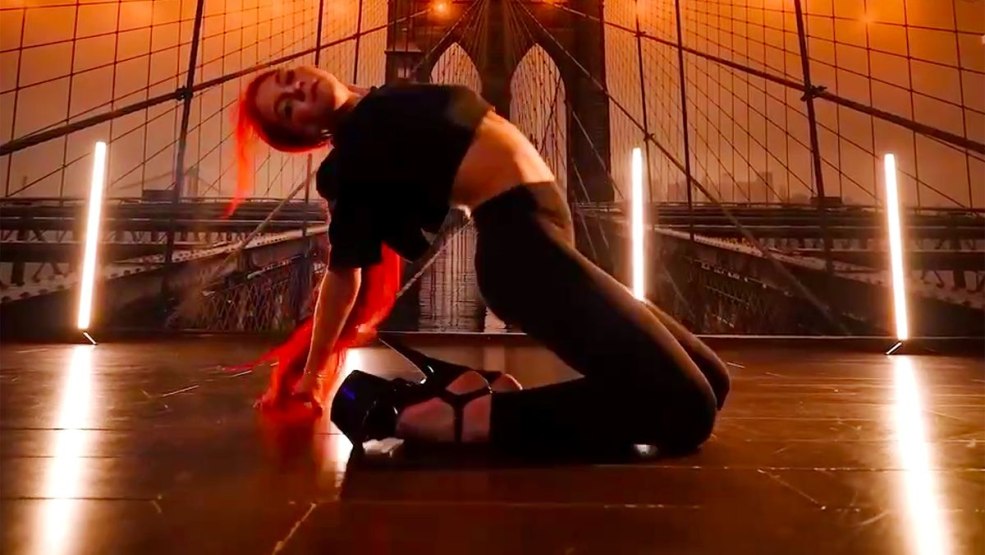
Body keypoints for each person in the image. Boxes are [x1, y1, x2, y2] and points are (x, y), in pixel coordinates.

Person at [232, 65, 731, 454]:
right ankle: (463, 418)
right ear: (307, 134)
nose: (296, 89)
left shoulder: (381, 99)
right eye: (288, 108)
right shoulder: (354, 155)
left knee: (712, 381)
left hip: (547, 241)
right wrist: (313, 372)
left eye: (287, 78)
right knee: (686, 410)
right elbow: (344, 274)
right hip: (521, 254)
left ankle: (471, 403)